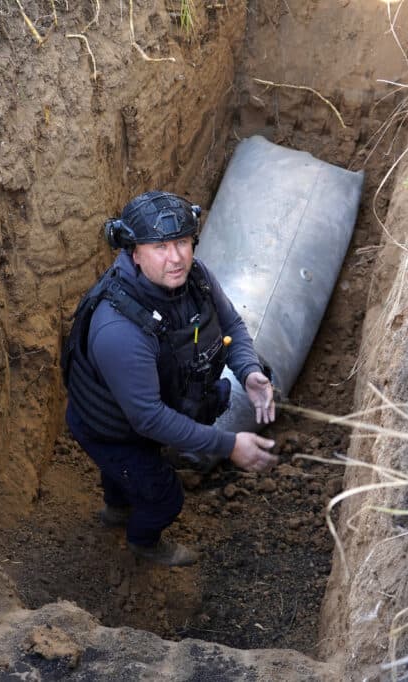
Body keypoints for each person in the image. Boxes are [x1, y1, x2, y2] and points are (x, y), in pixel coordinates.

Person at [62, 190, 278, 567]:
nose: (176, 257)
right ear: (134, 251)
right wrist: (228, 445)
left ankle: (116, 511)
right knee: (164, 496)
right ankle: (142, 543)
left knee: (128, 476)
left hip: (137, 417)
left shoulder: (196, 278)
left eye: (181, 242)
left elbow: (232, 325)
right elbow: (149, 419)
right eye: (160, 246)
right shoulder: (119, 331)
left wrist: (250, 372)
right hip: (110, 430)